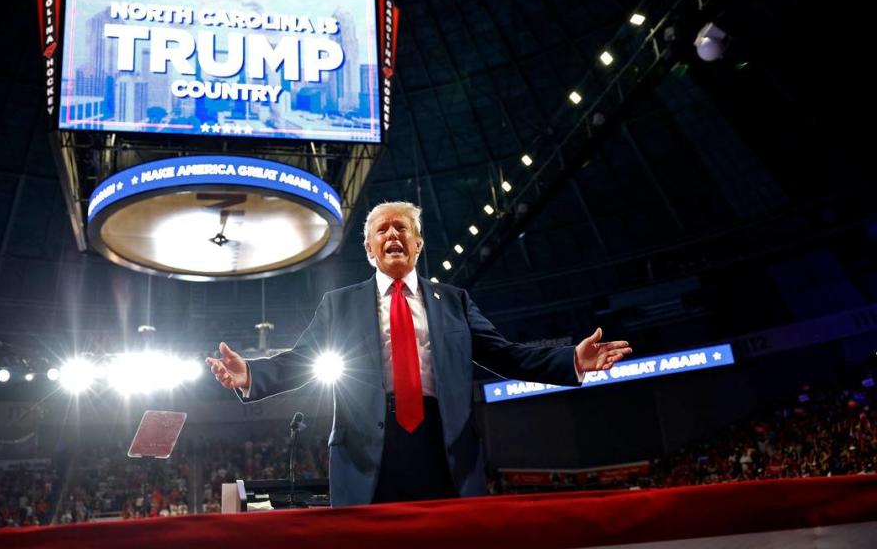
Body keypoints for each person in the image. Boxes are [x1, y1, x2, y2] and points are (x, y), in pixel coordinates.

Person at [206, 201, 632, 506]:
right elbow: (301, 360)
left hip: (443, 446)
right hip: (368, 446)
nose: (393, 234)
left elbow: (504, 355)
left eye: (402, 228)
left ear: (418, 244)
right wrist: (251, 374)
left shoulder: (455, 301)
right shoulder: (341, 303)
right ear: (370, 249)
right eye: (383, 230)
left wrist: (571, 360)